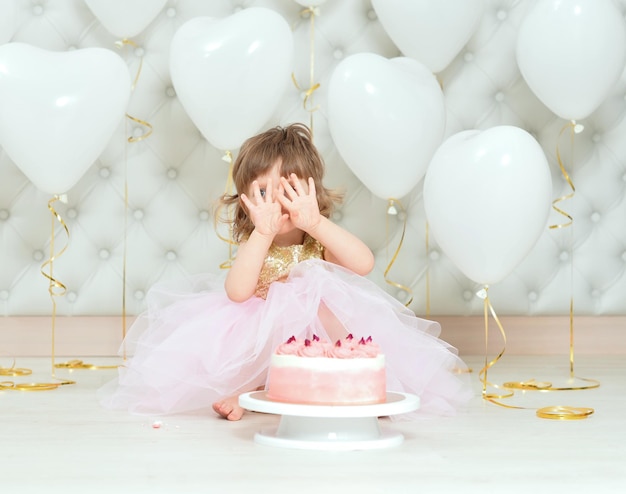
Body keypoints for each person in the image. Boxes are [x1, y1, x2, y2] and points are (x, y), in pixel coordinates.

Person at [98, 123, 472, 421]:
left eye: (287, 190)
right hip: (259, 333)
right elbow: (238, 292)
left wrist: (316, 224)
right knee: (267, 330)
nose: (275, 202)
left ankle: (353, 384)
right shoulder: (258, 239)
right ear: (244, 198)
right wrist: (262, 232)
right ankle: (251, 394)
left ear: (310, 192)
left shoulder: (317, 236)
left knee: (318, 305)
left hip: (321, 336)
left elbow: (363, 264)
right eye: (262, 192)